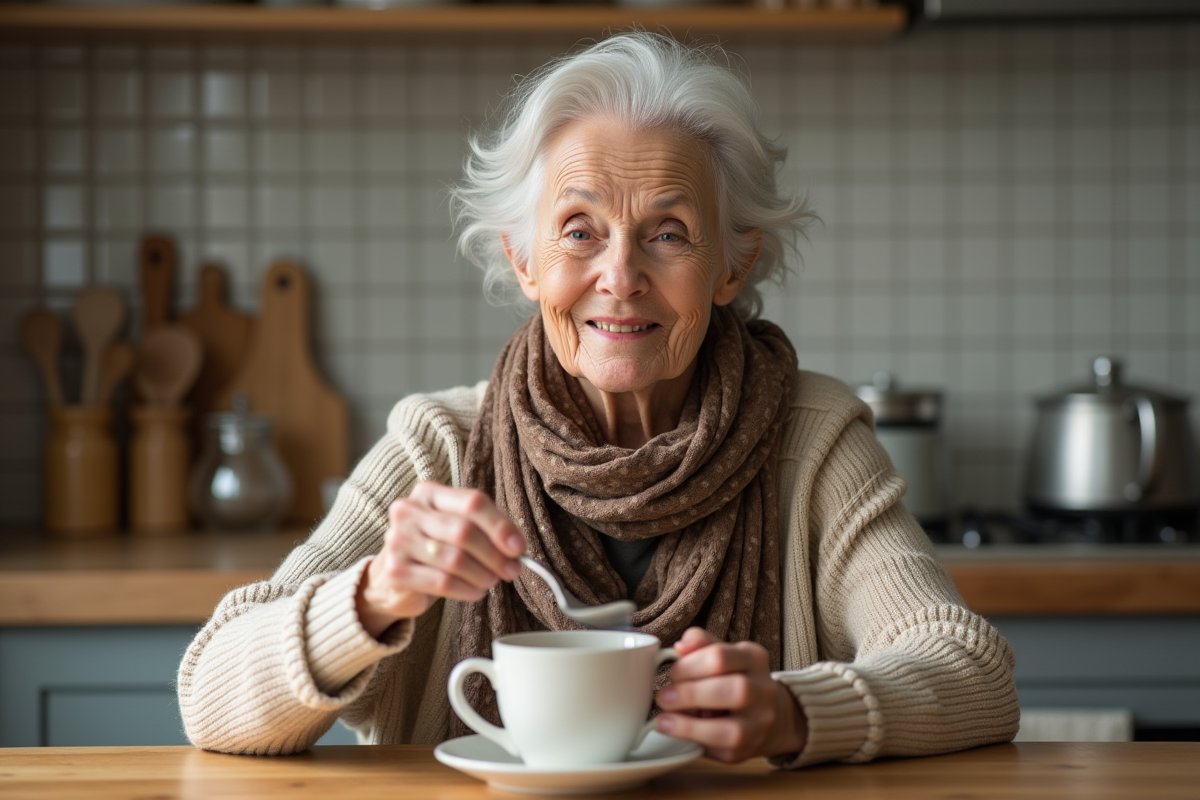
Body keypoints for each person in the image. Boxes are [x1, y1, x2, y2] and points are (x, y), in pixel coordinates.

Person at [178, 32, 1019, 767]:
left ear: (734, 266)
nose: (619, 277)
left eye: (668, 233)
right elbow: (210, 698)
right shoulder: (440, 444)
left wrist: (798, 712)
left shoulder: (813, 439)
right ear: (525, 261)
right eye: (580, 231)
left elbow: (970, 671)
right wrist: (371, 597)